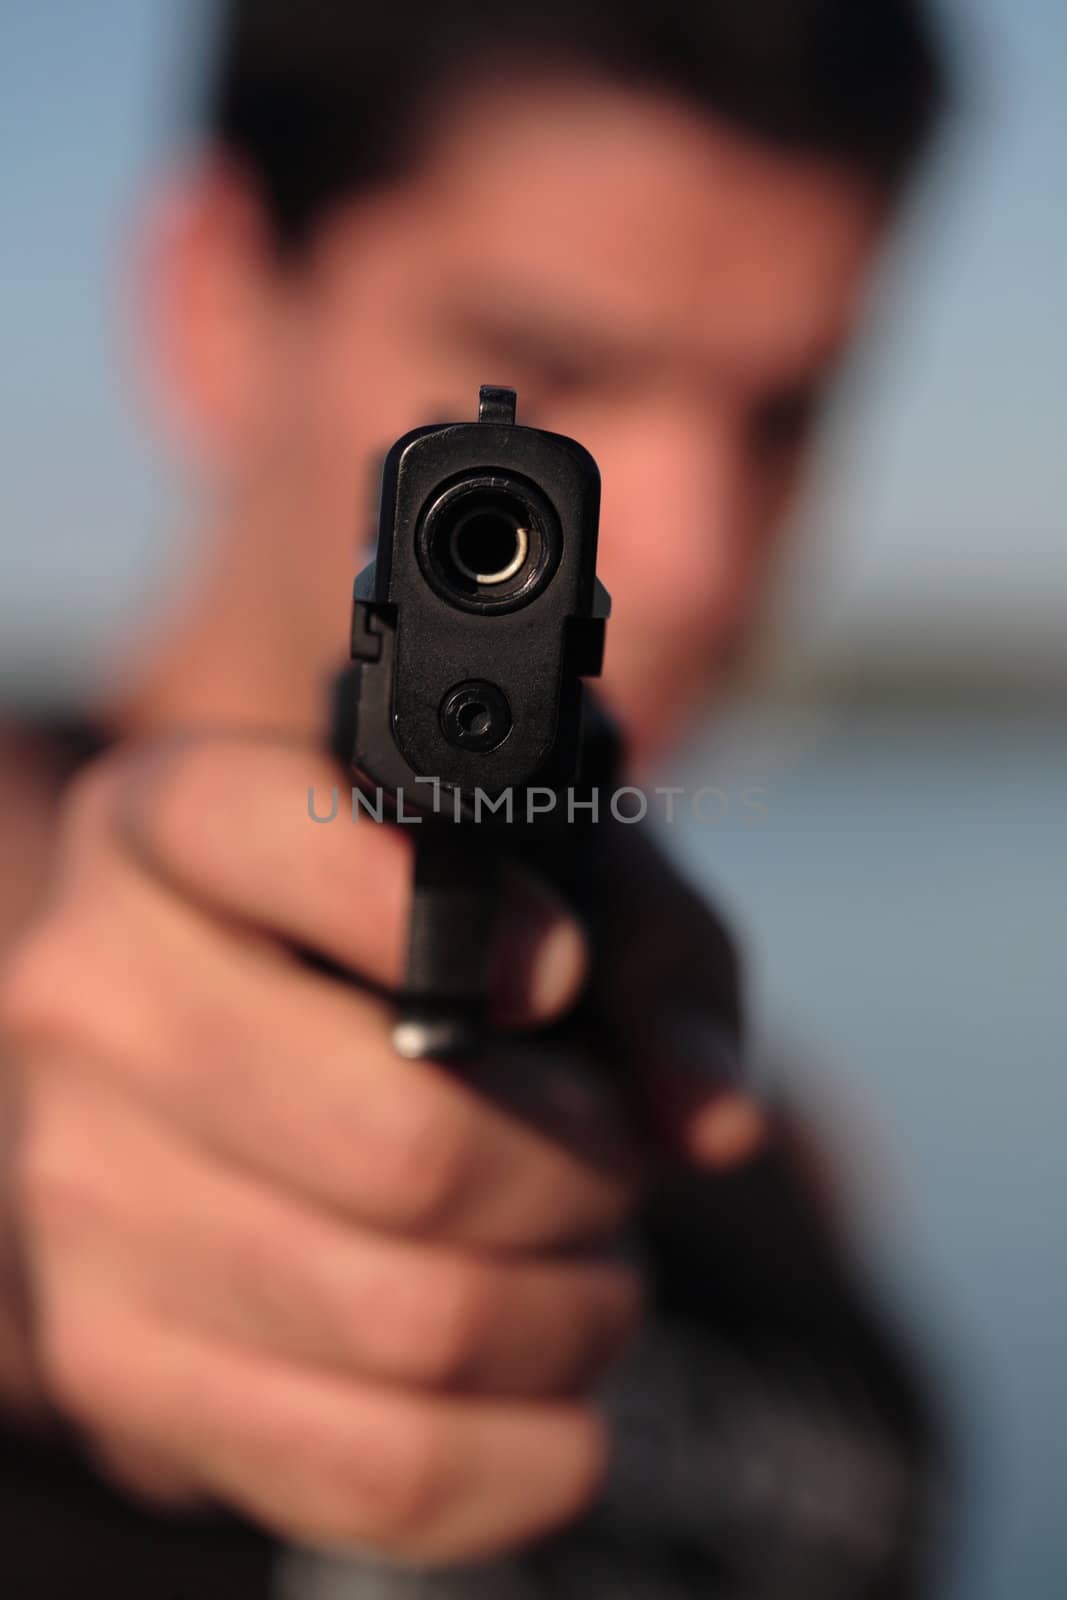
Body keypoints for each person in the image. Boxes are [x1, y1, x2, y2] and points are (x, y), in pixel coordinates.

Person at [0, 1, 952, 1595]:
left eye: (783, 414)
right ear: (218, 297)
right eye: (551, 365)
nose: (695, 553)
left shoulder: (780, 1155)